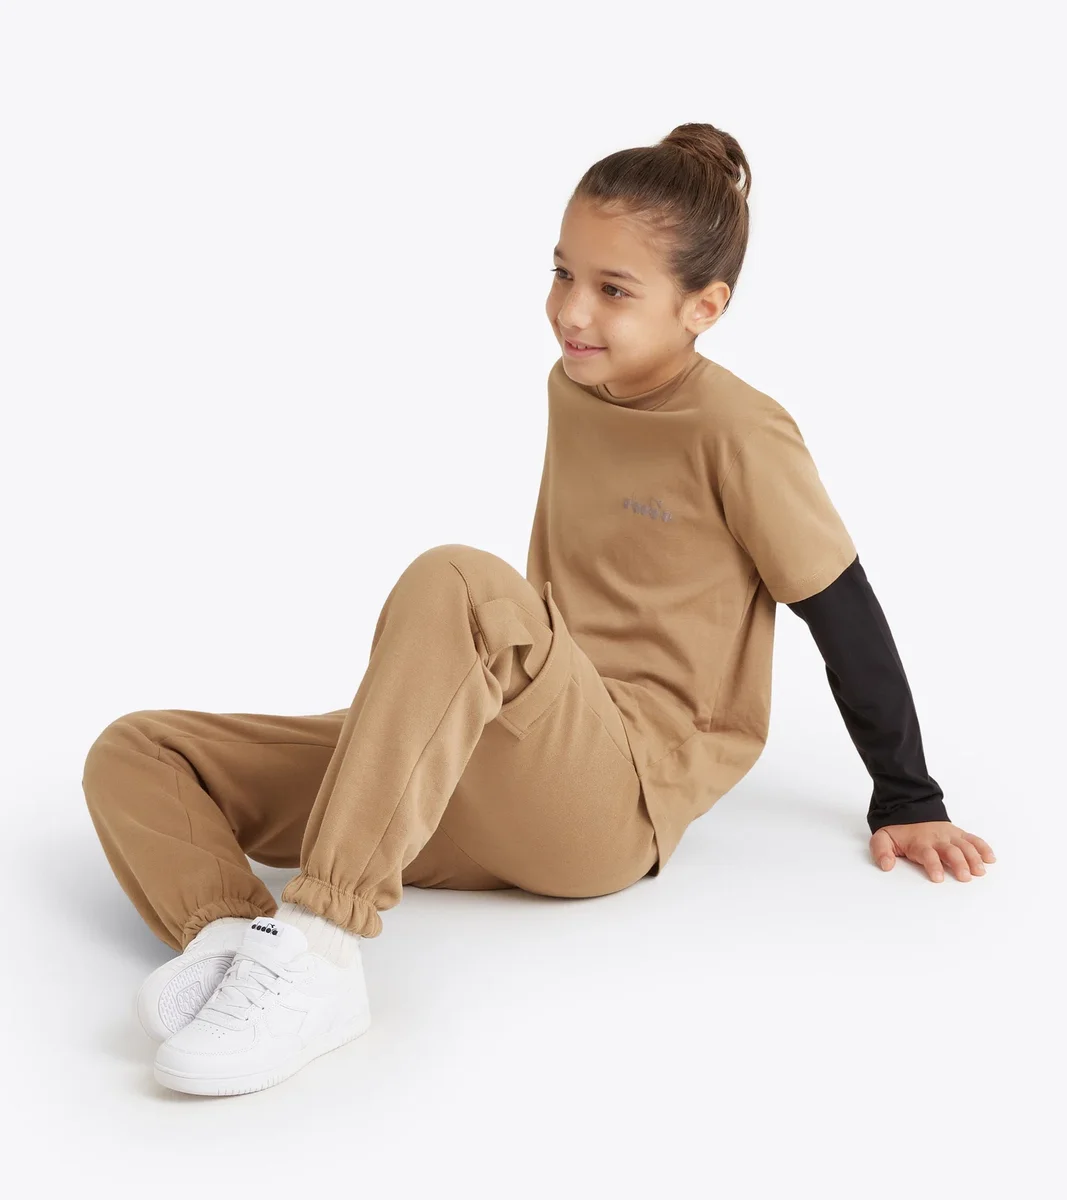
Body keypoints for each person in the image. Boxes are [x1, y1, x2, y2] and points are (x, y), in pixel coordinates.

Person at [81, 121, 996, 1098]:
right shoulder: (575, 383)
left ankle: (323, 938)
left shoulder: (740, 430)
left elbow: (839, 606)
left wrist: (908, 797)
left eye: (613, 290)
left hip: (609, 801)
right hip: (485, 763)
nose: (571, 310)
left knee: (458, 580)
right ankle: (241, 951)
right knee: (140, 752)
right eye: (562, 272)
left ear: (704, 307)